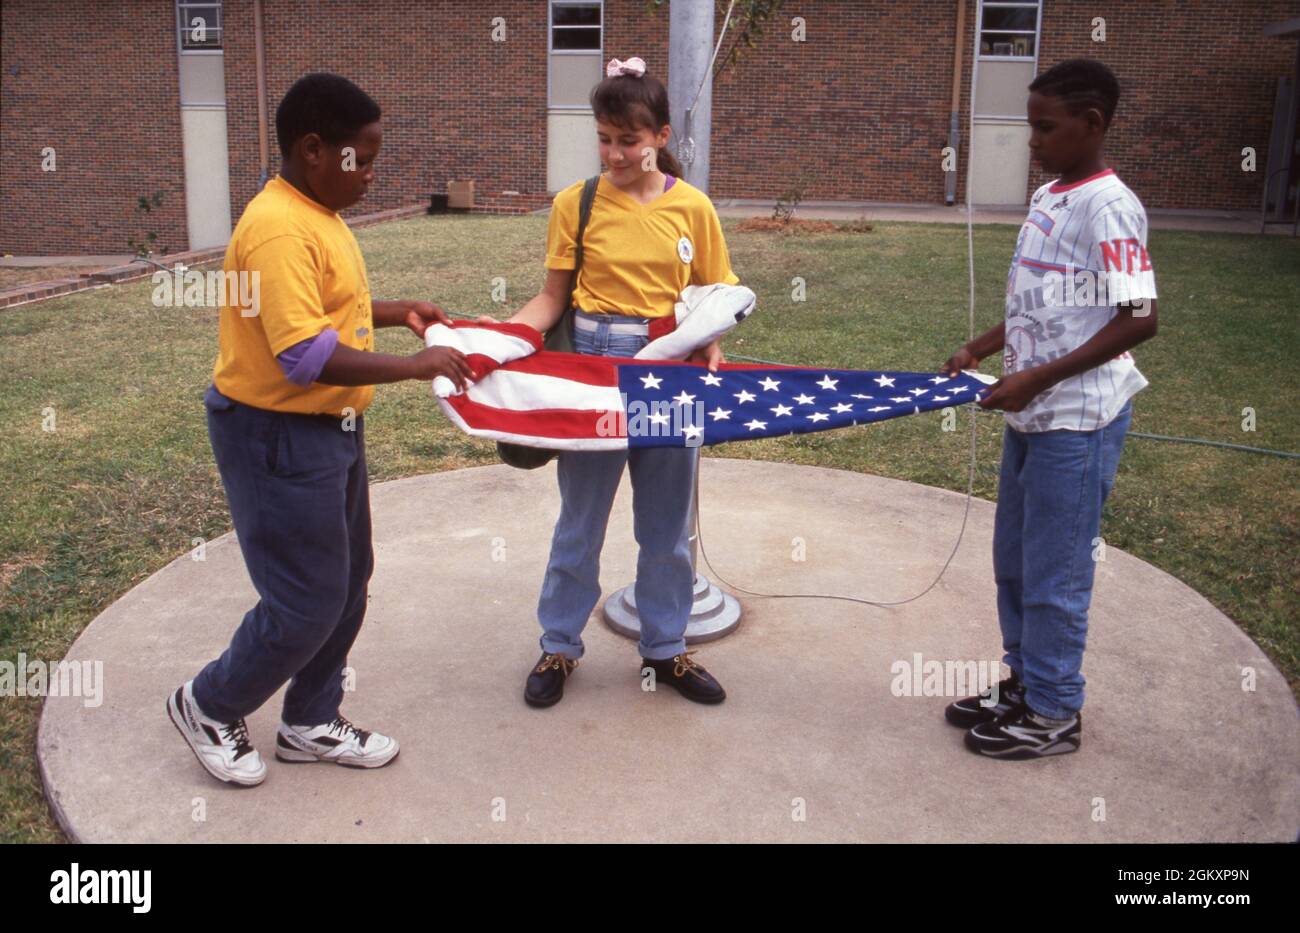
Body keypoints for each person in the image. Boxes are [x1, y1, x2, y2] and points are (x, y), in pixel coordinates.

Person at [167, 73, 473, 785]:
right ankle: (208, 703)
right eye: (360, 160)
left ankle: (308, 719)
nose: (370, 174)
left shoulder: (315, 212)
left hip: (329, 430)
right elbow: (304, 355)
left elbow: (332, 309)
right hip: (275, 435)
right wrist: (414, 362)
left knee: (347, 580)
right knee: (304, 600)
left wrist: (398, 311)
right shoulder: (276, 226)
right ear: (313, 150)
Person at [498, 57, 740, 708]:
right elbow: (552, 299)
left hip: (670, 373)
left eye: (627, 141)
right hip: (595, 371)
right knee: (580, 520)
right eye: (603, 138)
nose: (613, 153)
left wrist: (711, 344)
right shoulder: (574, 204)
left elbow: (709, 298)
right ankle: (558, 644)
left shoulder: (693, 208)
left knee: (664, 527)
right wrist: (505, 340)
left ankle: (666, 648)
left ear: (660, 136)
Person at [941, 59, 1159, 758]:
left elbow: (1140, 318)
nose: (1032, 141)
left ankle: (1056, 711)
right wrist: (981, 347)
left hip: (1077, 419)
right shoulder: (1049, 196)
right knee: (1015, 559)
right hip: (1031, 413)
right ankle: (1027, 680)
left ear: (1091, 125)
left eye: (1045, 127)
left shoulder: (1110, 206)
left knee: (1056, 571)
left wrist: (1036, 378)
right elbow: (1043, 301)